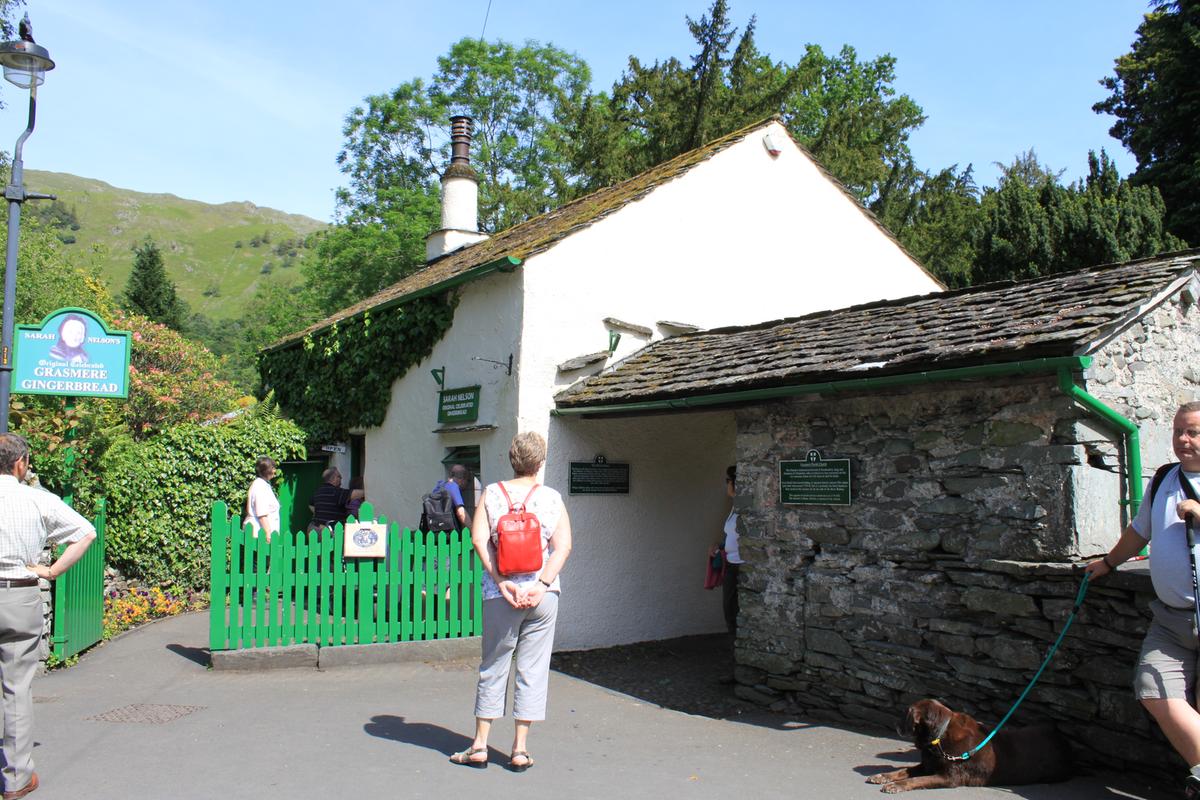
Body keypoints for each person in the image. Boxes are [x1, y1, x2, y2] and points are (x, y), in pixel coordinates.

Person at [1086, 401, 1200, 799]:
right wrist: (1109, 563)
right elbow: (1140, 532)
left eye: (1194, 433)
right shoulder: (1166, 478)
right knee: (1152, 686)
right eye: (1178, 431)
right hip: (1170, 619)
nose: (1183, 440)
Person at [449, 432, 572, 772]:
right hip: (543, 596)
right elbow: (564, 546)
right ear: (541, 462)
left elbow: (477, 539)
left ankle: (479, 745)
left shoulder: (491, 493)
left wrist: (502, 582)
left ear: (511, 459)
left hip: (499, 594)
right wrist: (542, 584)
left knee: (494, 665)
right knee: (532, 669)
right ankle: (519, 750)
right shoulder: (551, 497)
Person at [0, 433, 97, 799]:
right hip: (19, 597)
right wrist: (52, 571)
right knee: (16, 689)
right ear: (21, 463)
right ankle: (16, 778)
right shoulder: (39, 500)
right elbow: (85, 533)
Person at [721, 465, 744, 637]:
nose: (726, 485)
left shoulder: (745, 504)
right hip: (731, 563)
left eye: (727, 481)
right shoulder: (735, 507)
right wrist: (720, 547)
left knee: (734, 608)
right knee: (729, 608)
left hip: (740, 566)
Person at [245, 456, 280, 543]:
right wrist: (268, 533)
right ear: (266, 470)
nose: (274, 471)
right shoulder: (260, 486)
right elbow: (261, 513)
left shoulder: (263, 485)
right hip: (260, 535)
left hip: (261, 534)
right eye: (273, 468)